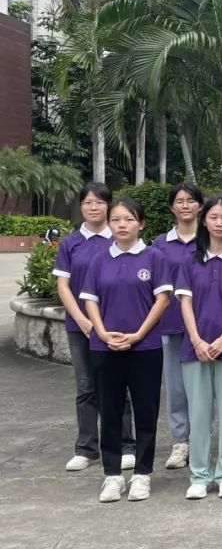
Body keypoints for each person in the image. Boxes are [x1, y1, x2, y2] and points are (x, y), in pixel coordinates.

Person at [80, 198, 172, 503]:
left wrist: (138, 334)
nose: (122, 225)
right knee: (109, 411)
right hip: (105, 347)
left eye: (129, 219)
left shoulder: (154, 257)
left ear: (141, 224)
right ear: (109, 224)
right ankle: (112, 475)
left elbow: (162, 300)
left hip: (145, 347)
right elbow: (90, 300)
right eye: (116, 219)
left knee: (146, 411)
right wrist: (102, 332)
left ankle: (142, 474)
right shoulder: (99, 260)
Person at [54, 182, 135, 473]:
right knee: (86, 386)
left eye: (100, 202)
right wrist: (82, 320)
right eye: (88, 202)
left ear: (108, 206)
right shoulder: (71, 243)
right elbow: (63, 286)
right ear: (81, 207)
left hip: (114, 326)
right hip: (80, 327)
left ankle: (126, 445)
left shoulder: (118, 238)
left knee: (118, 386)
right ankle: (86, 448)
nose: (93, 207)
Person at [174, 197, 222, 500]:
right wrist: (197, 340)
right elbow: (185, 303)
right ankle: (199, 475)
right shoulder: (190, 261)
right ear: (204, 220)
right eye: (214, 217)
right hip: (195, 349)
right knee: (199, 413)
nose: (219, 223)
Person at [152, 182, 203, 472]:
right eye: (180, 201)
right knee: (175, 387)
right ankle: (180, 441)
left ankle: (201, 439)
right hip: (170, 324)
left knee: (203, 388)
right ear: (172, 207)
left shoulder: (209, 240)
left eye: (190, 200)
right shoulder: (160, 244)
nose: (185, 205)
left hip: (204, 325)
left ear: (200, 205)